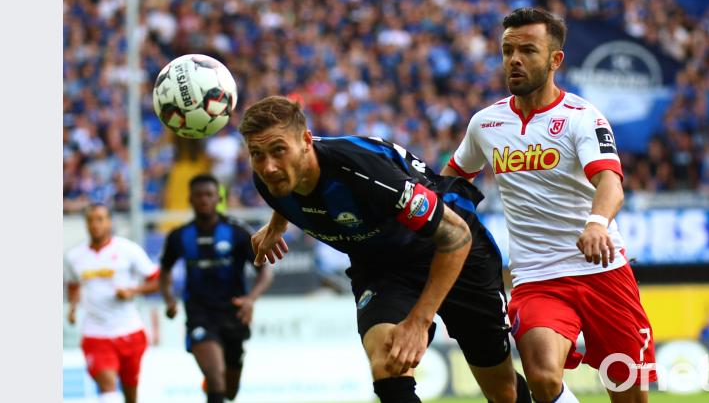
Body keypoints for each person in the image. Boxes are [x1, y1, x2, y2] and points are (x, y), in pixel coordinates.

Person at [241, 96, 530, 403]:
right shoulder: (267, 178)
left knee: (503, 392)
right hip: (382, 266)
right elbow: (290, 188)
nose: (268, 166)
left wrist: (419, 322)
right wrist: (277, 225)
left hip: (450, 248)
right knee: (387, 361)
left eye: (278, 150)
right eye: (257, 154)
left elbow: (455, 235)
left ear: (306, 141)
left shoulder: (363, 173)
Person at [442, 7, 657, 403]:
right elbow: (450, 184)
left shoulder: (582, 117)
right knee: (541, 378)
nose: (514, 60)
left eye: (527, 50)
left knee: (629, 396)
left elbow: (610, 181)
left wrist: (596, 223)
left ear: (555, 59)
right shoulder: (485, 124)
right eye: (507, 51)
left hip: (602, 272)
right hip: (537, 278)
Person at [159, 174, 273, 403]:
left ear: (218, 198)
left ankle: (212, 385)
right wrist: (169, 300)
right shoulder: (179, 236)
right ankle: (212, 381)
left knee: (229, 390)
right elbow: (164, 271)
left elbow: (265, 271)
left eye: (209, 195)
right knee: (216, 376)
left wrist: (250, 299)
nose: (204, 200)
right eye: (199, 195)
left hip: (233, 313)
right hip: (199, 313)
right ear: (190, 199)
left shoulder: (237, 232)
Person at [64, 203, 160, 403]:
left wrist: (133, 291)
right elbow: (73, 285)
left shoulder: (128, 250)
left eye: (100, 219)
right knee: (107, 386)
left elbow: (157, 281)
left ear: (109, 222)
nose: (95, 225)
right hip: (96, 334)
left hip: (129, 332)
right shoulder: (75, 257)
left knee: (130, 394)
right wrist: (72, 308)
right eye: (90, 220)